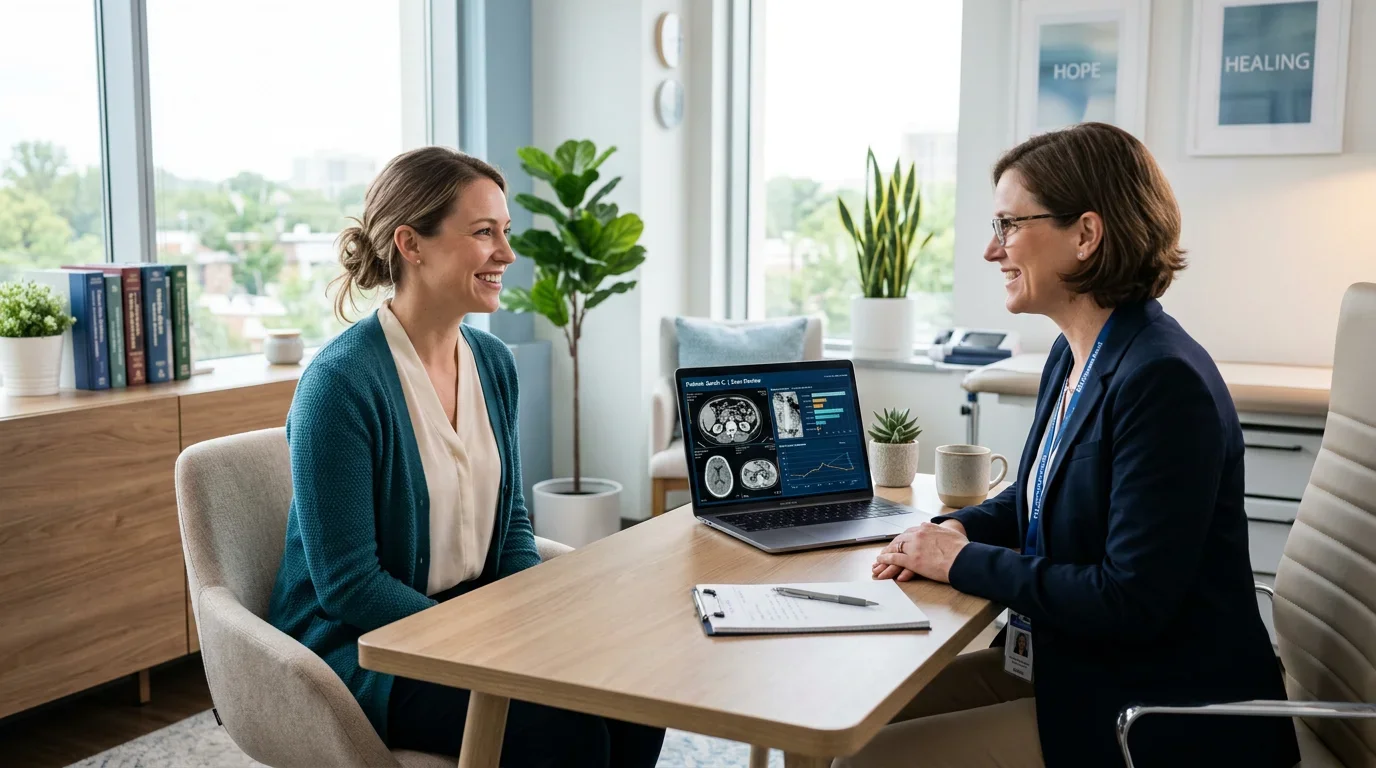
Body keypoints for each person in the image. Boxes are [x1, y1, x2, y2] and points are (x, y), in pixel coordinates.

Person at [847, 123, 1299, 768]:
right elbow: (1032, 502)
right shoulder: (1075, 350)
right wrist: (944, 532)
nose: (989, 250)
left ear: (1085, 235)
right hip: (1074, 664)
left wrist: (959, 561)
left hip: (1153, 709)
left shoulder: (1162, 380)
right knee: (859, 717)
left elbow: (1128, 600)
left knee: (870, 760)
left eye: (1007, 225)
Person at [266, 146, 665, 767]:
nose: (507, 254)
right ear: (411, 244)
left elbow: (511, 532)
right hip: (365, 647)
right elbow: (349, 586)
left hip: (468, 617)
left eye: (505, 231)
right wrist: (485, 645)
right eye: (485, 233)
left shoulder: (493, 364)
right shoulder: (339, 385)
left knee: (636, 691)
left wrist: (546, 621)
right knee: (569, 733)